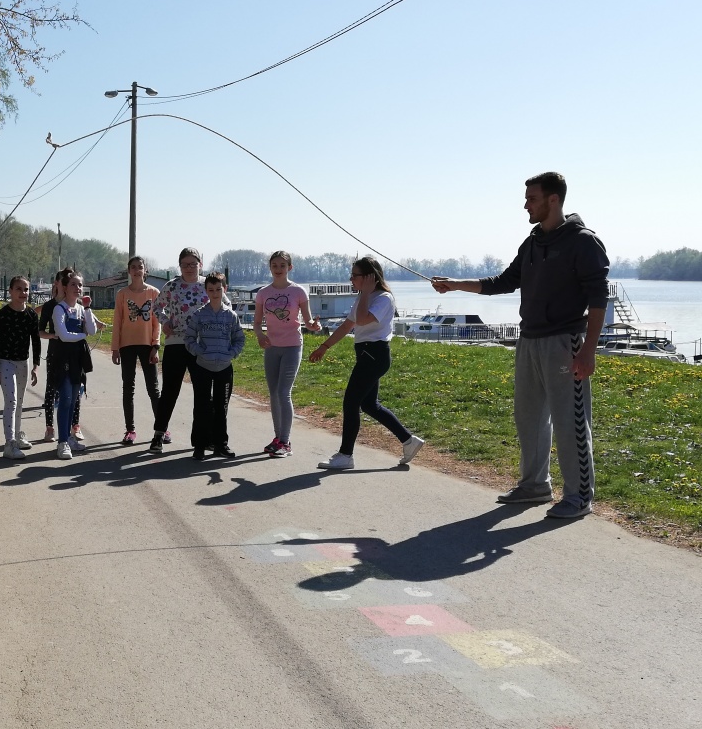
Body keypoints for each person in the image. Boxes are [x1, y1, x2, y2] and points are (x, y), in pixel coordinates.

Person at [431, 171, 609, 518]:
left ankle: (579, 496)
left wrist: (588, 349)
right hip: (529, 340)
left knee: (570, 422)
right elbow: (504, 281)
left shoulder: (583, 242)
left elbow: (598, 297)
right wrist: (455, 284)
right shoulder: (532, 242)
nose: (526, 205)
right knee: (529, 418)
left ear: (553, 200)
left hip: (565, 342)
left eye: (532, 199)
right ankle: (535, 486)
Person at [309, 257, 424, 471]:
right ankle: (409, 441)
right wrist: (324, 347)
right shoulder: (365, 297)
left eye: (355, 275)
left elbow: (362, 320)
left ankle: (345, 455)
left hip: (375, 354)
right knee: (369, 405)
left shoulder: (383, 298)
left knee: (351, 403)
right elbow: (347, 326)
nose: (351, 279)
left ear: (370, 277)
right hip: (367, 355)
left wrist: (364, 294)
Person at [150, 247, 229, 455]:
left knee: (203, 395)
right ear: (180, 266)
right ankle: (159, 434)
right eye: (185, 264)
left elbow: (226, 306)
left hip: (202, 346)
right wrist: (165, 322)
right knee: (170, 391)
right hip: (176, 343)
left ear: (200, 264)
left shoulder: (208, 285)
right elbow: (156, 307)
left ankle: (202, 440)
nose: (189, 268)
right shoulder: (172, 285)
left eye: (193, 264)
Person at [253, 251, 320, 458]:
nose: (278, 269)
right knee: (273, 394)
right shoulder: (263, 293)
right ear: (270, 268)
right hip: (271, 347)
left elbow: (308, 321)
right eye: (274, 265)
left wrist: (314, 326)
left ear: (289, 267)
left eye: (282, 265)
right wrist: (260, 336)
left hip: (292, 346)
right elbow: (257, 323)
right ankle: (277, 439)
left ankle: (286, 441)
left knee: (283, 392)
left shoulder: (298, 291)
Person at [185, 272, 245, 459]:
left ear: (224, 289)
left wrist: (231, 353)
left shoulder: (231, 315)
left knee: (221, 407)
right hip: (203, 367)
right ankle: (200, 446)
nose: (215, 293)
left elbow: (239, 339)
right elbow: (189, 338)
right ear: (206, 291)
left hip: (224, 368)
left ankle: (221, 444)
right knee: (201, 407)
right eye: (211, 290)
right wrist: (199, 351)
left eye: (218, 289)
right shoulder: (199, 314)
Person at [110, 256, 161, 446]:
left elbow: (157, 322)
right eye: (133, 267)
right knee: (128, 388)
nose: (137, 270)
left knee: (153, 389)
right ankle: (130, 430)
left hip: (148, 345)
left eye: (140, 267)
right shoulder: (122, 294)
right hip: (127, 346)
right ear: (129, 271)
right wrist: (115, 348)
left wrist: (156, 346)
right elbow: (117, 321)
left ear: (145, 270)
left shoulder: (153, 293)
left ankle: (161, 428)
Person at [0, 276, 41, 459]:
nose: (23, 293)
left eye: (26, 289)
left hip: (23, 363)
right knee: (10, 401)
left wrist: (36, 366)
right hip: (5, 362)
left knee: (20, 401)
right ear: (10, 291)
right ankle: (9, 443)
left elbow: (36, 341)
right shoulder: (3, 314)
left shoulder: (31, 315)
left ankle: (18, 435)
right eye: (18, 289)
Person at [50, 269, 98, 460]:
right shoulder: (59, 309)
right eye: (73, 284)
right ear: (64, 287)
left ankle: (69, 438)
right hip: (63, 358)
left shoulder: (80, 309)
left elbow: (92, 330)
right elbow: (63, 335)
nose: (77, 288)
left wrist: (87, 309)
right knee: (66, 399)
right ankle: (62, 442)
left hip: (78, 359)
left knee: (73, 400)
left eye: (80, 285)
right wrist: (82, 335)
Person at [39, 272, 84, 443]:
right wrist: (53, 335)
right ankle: (50, 428)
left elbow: (87, 325)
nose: (76, 287)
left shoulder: (78, 305)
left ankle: (74, 427)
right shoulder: (52, 306)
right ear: (59, 283)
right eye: (69, 282)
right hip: (56, 353)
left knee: (74, 394)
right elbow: (40, 331)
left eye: (78, 284)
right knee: (52, 390)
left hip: (75, 355)